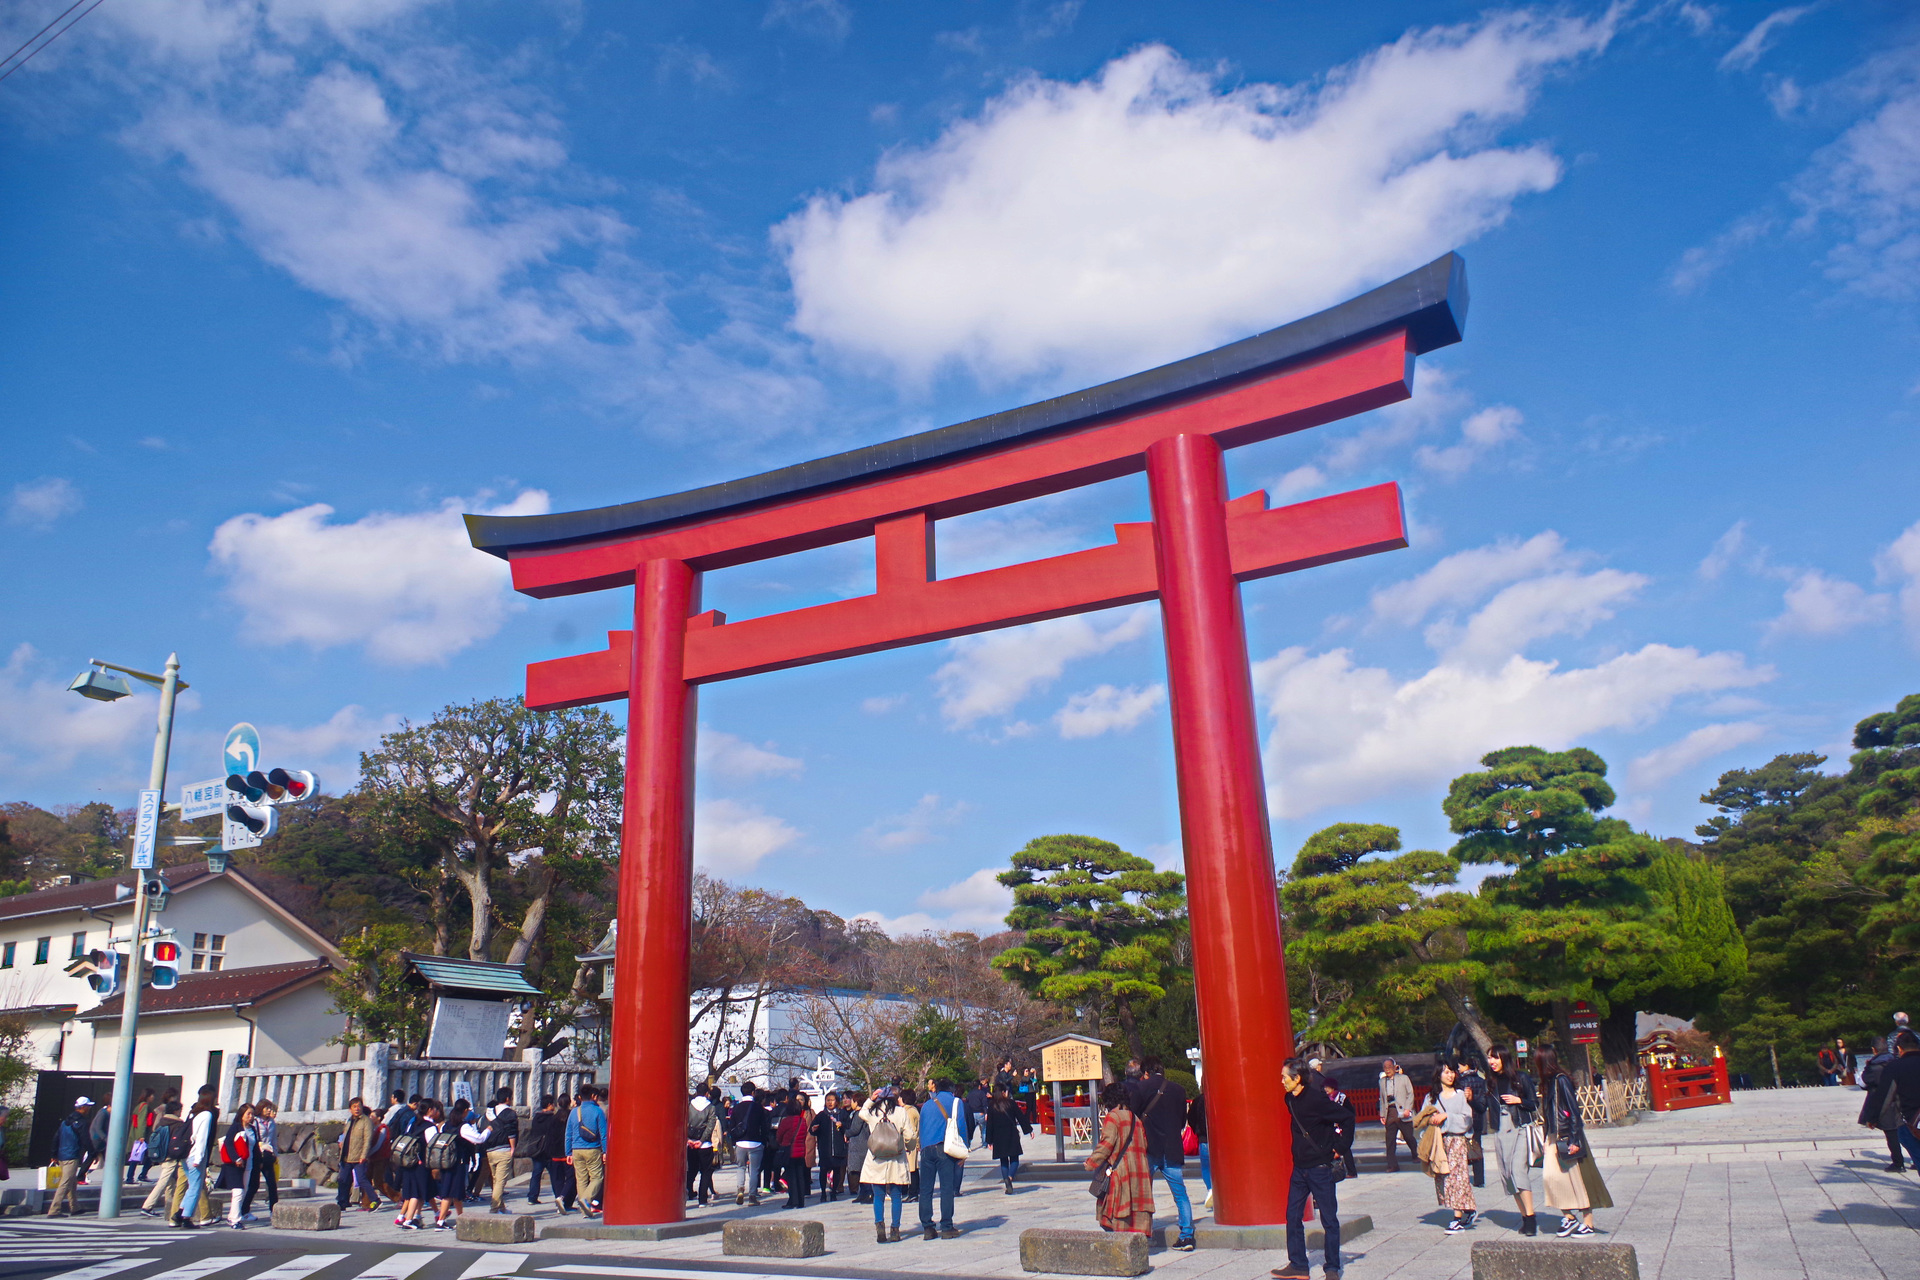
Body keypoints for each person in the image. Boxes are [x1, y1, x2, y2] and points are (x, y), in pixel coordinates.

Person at [1274, 1060, 1352, 1280]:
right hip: (1299, 1168)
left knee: (1329, 1219)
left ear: (1297, 1078)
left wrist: (1340, 1147)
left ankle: (1332, 1268)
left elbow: (1346, 1117)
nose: (1281, 1081)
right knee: (1292, 1215)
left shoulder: (1317, 1099)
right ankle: (1298, 1264)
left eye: (1284, 1077)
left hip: (1320, 1168)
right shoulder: (1289, 1098)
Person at [1537, 1045, 1611, 1236]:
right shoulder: (1548, 1082)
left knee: (1579, 1179)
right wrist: (1547, 1138)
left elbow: (1574, 1110)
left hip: (1568, 1135)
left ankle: (1588, 1223)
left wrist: (1575, 1139)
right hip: (1554, 1135)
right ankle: (1569, 1217)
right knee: (1551, 1178)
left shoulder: (1561, 1080)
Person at [1127, 1056, 1195, 1250]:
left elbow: (1133, 1117)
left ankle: (1142, 1233)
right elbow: (1182, 1121)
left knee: (1142, 1192)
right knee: (1180, 1193)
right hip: (1172, 1147)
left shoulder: (1141, 1088)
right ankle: (1187, 1234)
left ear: (1145, 1073)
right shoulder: (1179, 1090)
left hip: (1149, 1148)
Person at [1420, 1056, 1483, 1234]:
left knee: (1457, 1177)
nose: (1450, 1075)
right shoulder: (1431, 1098)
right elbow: (1423, 1119)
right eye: (1446, 1072)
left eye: (1452, 1072)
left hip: (1457, 1141)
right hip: (1439, 1143)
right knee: (1444, 1178)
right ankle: (1468, 1209)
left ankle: (1457, 1218)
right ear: (1438, 1074)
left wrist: (1447, 1116)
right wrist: (1432, 1121)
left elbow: (1467, 1120)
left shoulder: (1461, 1095)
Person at [1485, 1044, 1542, 1235]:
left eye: (1495, 1058)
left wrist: (1519, 1101)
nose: (1492, 1062)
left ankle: (1532, 1218)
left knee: (1518, 1170)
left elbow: (1535, 1104)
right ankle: (1525, 1217)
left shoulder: (1520, 1077)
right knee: (1508, 1175)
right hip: (1500, 1128)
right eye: (1490, 1058)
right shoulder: (1491, 1081)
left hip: (1519, 1126)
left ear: (1504, 1058)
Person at [1086, 1080, 1153, 1237]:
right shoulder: (1136, 1118)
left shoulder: (1113, 1117)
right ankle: (1138, 1238)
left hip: (1121, 1170)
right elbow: (1144, 1143)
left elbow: (1106, 1145)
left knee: (1119, 1207)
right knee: (1137, 1206)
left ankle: (1121, 1239)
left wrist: (1091, 1163)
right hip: (1140, 1169)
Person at [858, 1086, 918, 1244]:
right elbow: (910, 1135)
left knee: (878, 1195)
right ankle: (895, 1230)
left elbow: (861, 1112)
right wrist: (909, 1147)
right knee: (896, 1195)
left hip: (876, 1157)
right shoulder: (900, 1112)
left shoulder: (872, 1112)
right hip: (896, 1158)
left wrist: (871, 1099)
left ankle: (880, 1228)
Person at [917, 1077, 968, 1240]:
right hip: (944, 1149)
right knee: (946, 1188)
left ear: (937, 1090)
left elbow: (922, 1127)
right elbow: (962, 1126)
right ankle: (946, 1226)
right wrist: (964, 1150)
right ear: (952, 1090)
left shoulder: (926, 1105)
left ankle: (927, 1227)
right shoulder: (956, 1102)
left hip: (926, 1150)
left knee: (926, 1189)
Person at [431, 1098, 490, 1229]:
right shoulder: (463, 1127)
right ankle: (441, 1221)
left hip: (446, 1162)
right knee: (449, 1193)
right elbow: (479, 1139)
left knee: (457, 1193)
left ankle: (461, 1218)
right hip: (458, 1162)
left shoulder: (446, 1125)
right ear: (464, 1111)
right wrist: (488, 1130)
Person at [172, 1094, 219, 1229]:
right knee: (195, 1188)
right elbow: (202, 1138)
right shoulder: (206, 1115)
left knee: (192, 1186)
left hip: (185, 1155)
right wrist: (199, 1158)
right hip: (195, 1156)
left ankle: (180, 1213)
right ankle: (186, 1217)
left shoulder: (194, 1114)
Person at [1859, 1038, 1906, 1171]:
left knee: (1891, 1133)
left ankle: (1898, 1163)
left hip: (1883, 1101)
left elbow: (1864, 1081)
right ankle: (1914, 1159)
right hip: (1901, 1100)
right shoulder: (1896, 1061)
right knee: (1907, 1132)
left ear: (1874, 1050)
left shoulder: (1874, 1066)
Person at [391, 1097, 435, 1230]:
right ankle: (408, 1220)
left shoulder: (413, 1122)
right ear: (430, 1110)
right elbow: (432, 1146)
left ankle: (416, 1217)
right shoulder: (430, 1127)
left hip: (408, 1161)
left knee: (415, 1191)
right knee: (416, 1192)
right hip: (421, 1163)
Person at [47, 1097, 94, 1216]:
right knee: (66, 1182)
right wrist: (92, 1152)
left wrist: (53, 1154)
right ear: (82, 1108)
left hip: (62, 1154)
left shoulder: (65, 1121)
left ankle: (75, 1207)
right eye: (88, 1106)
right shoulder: (81, 1122)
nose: (89, 1108)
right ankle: (54, 1210)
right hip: (72, 1155)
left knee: (72, 1182)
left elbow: (56, 1137)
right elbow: (85, 1139)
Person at [567, 1085, 607, 1217]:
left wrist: (568, 1152)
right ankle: (586, 1200)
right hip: (592, 1149)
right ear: (593, 1096)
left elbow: (568, 1133)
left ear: (579, 1097)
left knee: (581, 1179)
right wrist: (605, 1151)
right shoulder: (598, 1111)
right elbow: (603, 1134)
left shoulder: (574, 1112)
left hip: (576, 1149)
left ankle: (584, 1208)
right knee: (597, 1177)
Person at [336, 1097, 380, 1212]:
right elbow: (345, 1135)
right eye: (354, 1106)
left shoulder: (366, 1121)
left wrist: (363, 1155)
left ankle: (375, 1199)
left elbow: (367, 1140)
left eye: (359, 1106)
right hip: (347, 1155)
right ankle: (342, 1201)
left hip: (359, 1156)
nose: (357, 1109)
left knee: (361, 1179)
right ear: (350, 1109)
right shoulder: (349, 1120)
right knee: (343, 1179)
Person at [480, 1086, 519, 1214]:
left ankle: (501, 1207)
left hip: (490, 1150)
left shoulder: (489, 1113)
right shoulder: (510, 1113)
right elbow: (511, 1132)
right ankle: (494, 1207)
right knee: (500, 1181)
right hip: (503, 1149)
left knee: (496, 1180)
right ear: (508, 1098)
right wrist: (513, 1147)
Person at [984, 1086, 1030, 1193]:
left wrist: (989, 1140)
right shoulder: (1011, 1103)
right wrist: (1028, 1129)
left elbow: (989, 1124)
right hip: (1011, 1134)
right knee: (1014, 1159)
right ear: (1004, 1092)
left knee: (1003, 1160)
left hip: (998, 1136)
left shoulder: (992, 1106)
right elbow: (1020, 1117)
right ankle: (1009, 1178)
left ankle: (1006, 1180)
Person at [730, 1087, 770, 1206]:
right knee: (754, 1170)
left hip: (740, 1143)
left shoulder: (736, 1107)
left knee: (740, 1167)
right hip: (755, 1142)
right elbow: (764, 1126)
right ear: (753, 1093)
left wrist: (734, 1141)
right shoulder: (758, 1108)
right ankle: (752, 1195)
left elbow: (732, 1125)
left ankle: (740, 1190)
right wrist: (763, 1141)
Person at [1886, 1030, 1920, 1170]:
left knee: (1905, 1136)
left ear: (1899, 1048)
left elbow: (1888, 1095)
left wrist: (1873, 1116)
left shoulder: (1896, 1067)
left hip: (1912, 1117)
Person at [140, 1109, 183, 1217]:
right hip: (171, 1157)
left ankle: (169, 1207)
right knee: (163, 1182)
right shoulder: (178, 1124)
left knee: (170, 1182)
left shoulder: (162, 1121)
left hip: (161, 1155)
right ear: (177, 1111)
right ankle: (147, 1206)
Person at [220, 1101, 257, 1229]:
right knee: (238, 1191)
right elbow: (229, 1143)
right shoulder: (235, 1127)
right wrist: (236, 1158)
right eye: (248, 1114)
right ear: (242, 1115)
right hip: (235, 1164)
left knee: (244, 1190)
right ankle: (234, 1219)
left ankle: (233, 1215)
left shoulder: (252, 1129)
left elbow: (255, 1147)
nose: (251, 1117)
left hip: (249, 1164)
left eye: (252, 1114)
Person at [1380, 1057, 1418, 1172]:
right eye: (1385, 1068)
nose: (1388, 1070)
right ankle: (1392, 1164)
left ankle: (1415, 1154)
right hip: (1390, 1112)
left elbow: (1410, 1094)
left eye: (1390, 1067)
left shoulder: (1404, 1078)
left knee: (1408, 1136)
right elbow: (1381, 1099)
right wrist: (1382, 1114)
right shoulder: (1382, 1081)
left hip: (1402, 1111)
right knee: (1390, 1140)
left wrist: (1408, 1109)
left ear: (1395, 1068)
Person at [775, 1099, 812, 1208]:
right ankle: (801, 1201)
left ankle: (793, 1201)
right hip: (800, 1152)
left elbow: (779, 1136)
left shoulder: (786, 1121)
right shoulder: (802, 1121)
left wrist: (782, 1143)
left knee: (791, 1177)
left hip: (789, 1152)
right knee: (800, 1176)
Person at [811, 1091, 847, 1201]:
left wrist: (842, 1126)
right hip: (824, 1148)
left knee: (837, 1171)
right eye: (828, 1100)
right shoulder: (822, 1115)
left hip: (838, 1147)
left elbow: (848, 1128)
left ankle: (834, 1191)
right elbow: (812, 1129)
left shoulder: (842, 1114)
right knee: (823, 1170)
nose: (830, 1103)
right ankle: (823, 1192)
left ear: (837, 1102)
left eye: (832, 1100)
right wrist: (814, 1129)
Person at [842, 1092, 870, 1204]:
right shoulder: (861, 1113)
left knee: (862, 1171)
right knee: (860, 1172)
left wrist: (846, 1133)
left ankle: (867, 1193)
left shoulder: (859, 1114)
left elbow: (855, 1129)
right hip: (861, 1145)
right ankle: (862, 1193)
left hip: (860, 1146)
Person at [126, 1088, 158, 1183]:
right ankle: (138, 1176)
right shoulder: (144, 1106)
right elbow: (142, 1121)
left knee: (136, 1157)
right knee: (147, 1156)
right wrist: (141, 1136)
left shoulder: (139, 1106)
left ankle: (132, 1176)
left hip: (137, 1135)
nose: (153, 1097)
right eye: (152, 1095)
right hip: (142, 1137)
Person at [1186, 1091, 1210, 1205]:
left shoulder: (1198, 1100)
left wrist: (1197, 1130)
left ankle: (1210, 1189)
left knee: (1206, 1168)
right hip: (1219, 1139)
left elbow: (1190, 1117)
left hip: (1203, 1138)